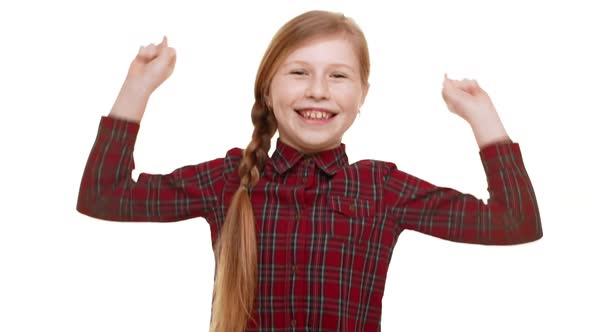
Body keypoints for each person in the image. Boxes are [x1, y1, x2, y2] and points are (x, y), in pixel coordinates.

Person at [76, 10, 543, 332]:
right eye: (299, 72)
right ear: (267, 90)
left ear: (362, 95)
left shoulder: (380, 188)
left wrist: (482, 117)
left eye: (338, 76)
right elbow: (105, 195)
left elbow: (513, 222)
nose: (319, 90)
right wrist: (138, 86)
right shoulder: (228, 180)